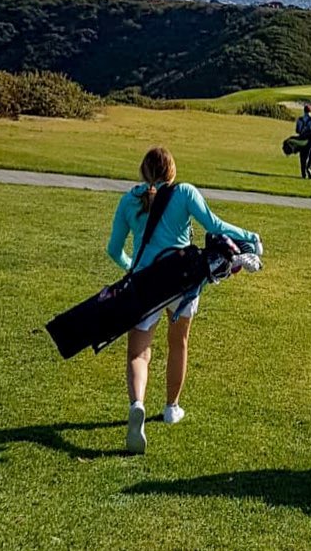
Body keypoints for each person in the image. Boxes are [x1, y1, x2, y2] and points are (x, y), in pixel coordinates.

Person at [106, 146, 261, 454]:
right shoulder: (185, 193)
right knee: (179, 343)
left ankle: (137, 403)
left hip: (145, 284)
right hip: (182, 284)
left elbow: (114, 249)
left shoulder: (128, 200)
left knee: (138, 353)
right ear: (171, 170)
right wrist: (250, 237)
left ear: (143, 171)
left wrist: (131, 267)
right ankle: (171, 407)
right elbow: (215, 226)